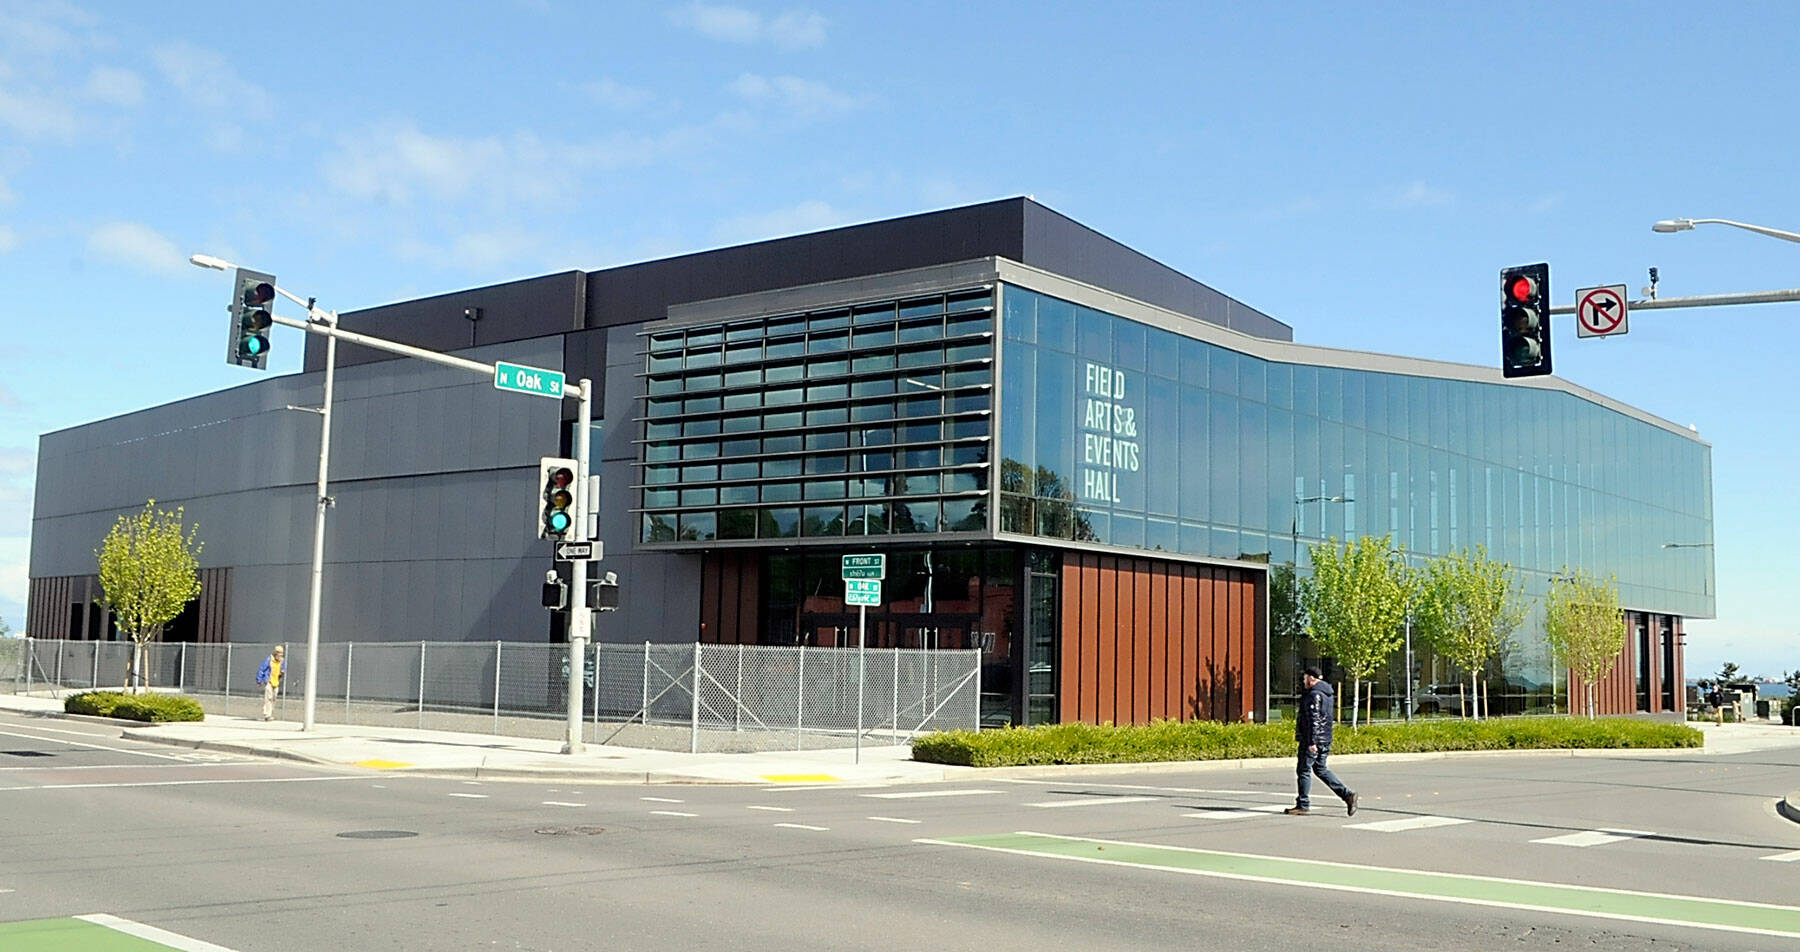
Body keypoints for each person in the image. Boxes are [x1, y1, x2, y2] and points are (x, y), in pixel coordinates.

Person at [1285, 664, 1357, 816]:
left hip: (1313, 740)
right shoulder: (1327, 693)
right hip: (1325, 738)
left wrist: (1312, 742)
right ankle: (1347, 795)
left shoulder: (1314, 695)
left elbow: (1314, 719)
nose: (1303, 681)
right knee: (1320, 769)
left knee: (1303, 770)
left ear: (1311, 678)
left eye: (1305, 678)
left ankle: (1303, 804)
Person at [256, 645, 285, 722]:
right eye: (279, 654)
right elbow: (262, 669)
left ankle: (270, 713)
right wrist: (259, 680)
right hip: (269, 681)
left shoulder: (282, 661)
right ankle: (267, 714)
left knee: (274, 698)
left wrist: (282, 671)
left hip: (276, 682)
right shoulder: (269, 660)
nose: (281, 656)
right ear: (276, 653)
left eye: (282, 654)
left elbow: (283, 668)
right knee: (268, 697)